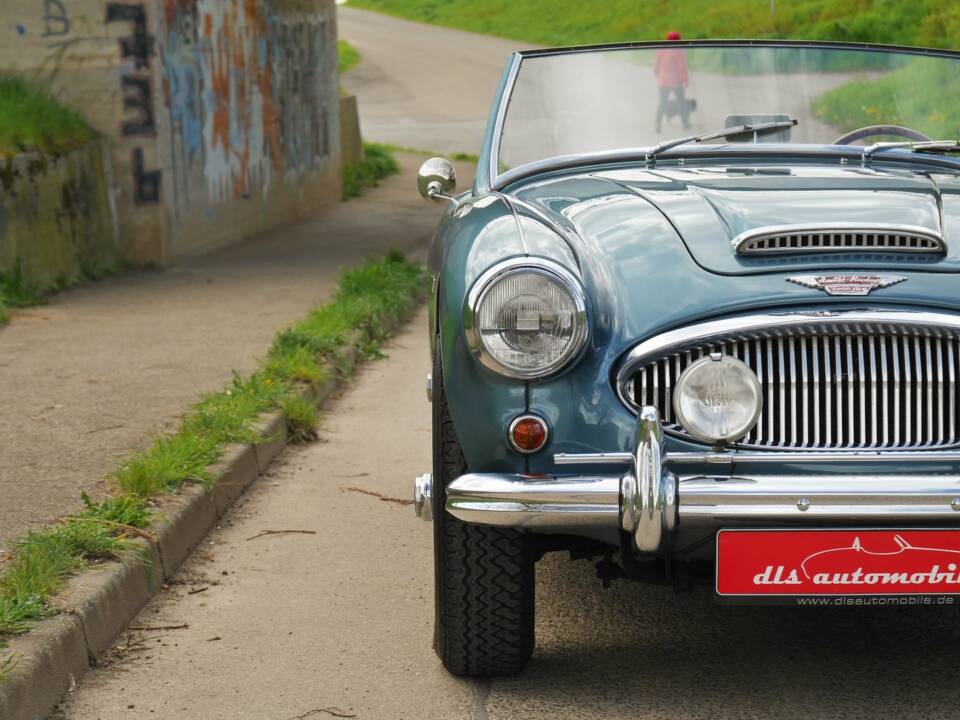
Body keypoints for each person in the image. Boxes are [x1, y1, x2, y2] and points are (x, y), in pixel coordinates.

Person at [653, 30, 692, 133]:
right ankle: (685, 123)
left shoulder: (661, 49)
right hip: (676, 82)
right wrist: (685, 80)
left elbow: (656, 65)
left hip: (663, 81)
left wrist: (659, 76)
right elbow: (681, 67)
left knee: (662, 103)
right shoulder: (678, 50)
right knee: (681, 102)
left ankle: (658, 123)